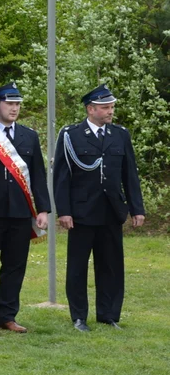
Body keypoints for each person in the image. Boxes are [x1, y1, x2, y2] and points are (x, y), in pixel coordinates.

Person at [54, 84, 144, 331]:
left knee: (111, 266)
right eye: (105, 107)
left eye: (112, 107)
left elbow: (130, 174)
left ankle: (108, 314)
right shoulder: (71, 135)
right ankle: (79, 317)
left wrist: (137, 208)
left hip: (111, 211)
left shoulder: (120, 134)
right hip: (82, 212)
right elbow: (62, 176)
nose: (110, 111)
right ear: (90, 109)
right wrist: (64, 211)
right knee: (77, 268)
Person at [0, 82, 50, 333]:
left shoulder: (29, 136)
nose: (14, 108)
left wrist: (43, 209)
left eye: (17, 104)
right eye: (10, 103)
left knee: (15, 265)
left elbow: (38, 175)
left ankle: (8, 315)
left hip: (20, 211)